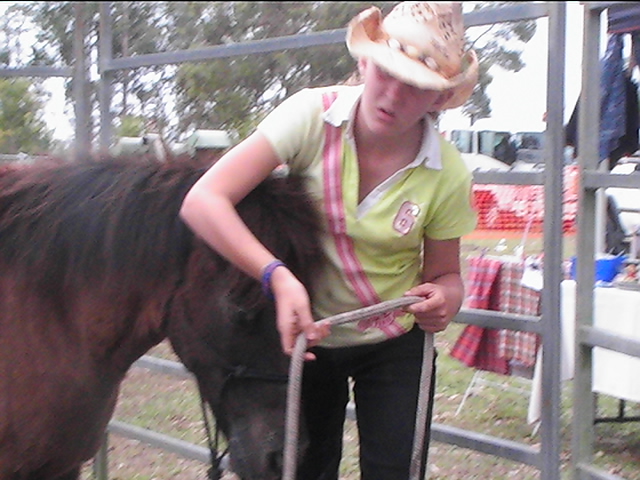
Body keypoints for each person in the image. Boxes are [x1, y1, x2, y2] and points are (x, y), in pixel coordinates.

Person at [179, 2, 479, 479]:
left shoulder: (448, 172)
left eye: (417, 86)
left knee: (397, 470)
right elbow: (204, 200)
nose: (393, 95)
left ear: (439, 100)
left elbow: (446, 276)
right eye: (385, 72)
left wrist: (445, 297)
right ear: (364, 64)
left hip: (395, 341)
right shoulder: (309, 116)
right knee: (306, 468)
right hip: (307, 334)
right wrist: (275, 275)